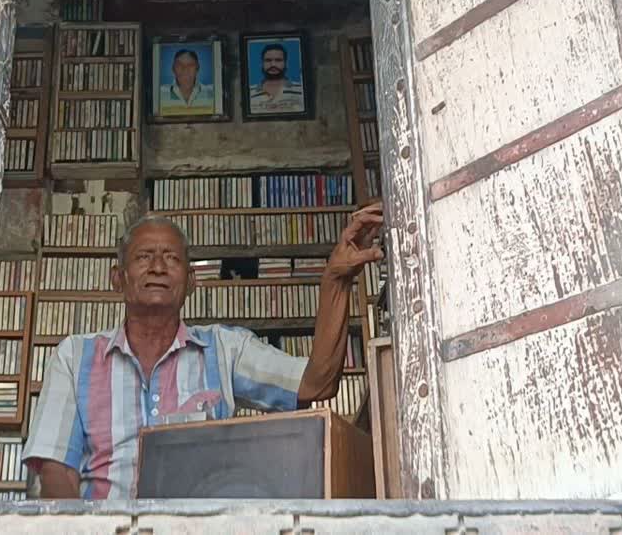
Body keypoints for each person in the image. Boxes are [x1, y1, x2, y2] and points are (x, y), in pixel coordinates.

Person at [22, 204, 384, 499]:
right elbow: (55, 472)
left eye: (172, 258)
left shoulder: (225, 350)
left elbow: (316, 383)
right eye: (144, 257)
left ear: (192, 282)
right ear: (118, 278)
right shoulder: (75, 356)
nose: (158, 267)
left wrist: (336, 280)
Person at [158, 49, 216, 116]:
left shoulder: (213, 92)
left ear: (197, 68)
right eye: (179, 65)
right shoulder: (159, 93)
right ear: (173, 68)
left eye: (190, 65)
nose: (185, 69)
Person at [248, 43, 304, 114]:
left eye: (278, 60)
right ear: (262, 64)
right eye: (268, 60)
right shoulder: (249, 93)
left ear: (286, 63)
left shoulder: (300, 90)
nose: (273, 64)